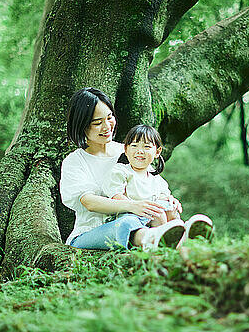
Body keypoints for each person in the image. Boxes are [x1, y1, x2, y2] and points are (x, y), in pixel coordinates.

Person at [60, 87, 187, 250]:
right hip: (91, 233)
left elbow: (149, 182)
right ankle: (153, 237)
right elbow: (89, 202)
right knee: (126, 222)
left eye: (109, 117)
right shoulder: (75, 162)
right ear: (82, 126)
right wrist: (133, 206)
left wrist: (166, 199)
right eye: (97, 123)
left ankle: (184, 235)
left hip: (143, 220)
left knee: (167, 210)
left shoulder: (129, 150)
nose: (107, 126)